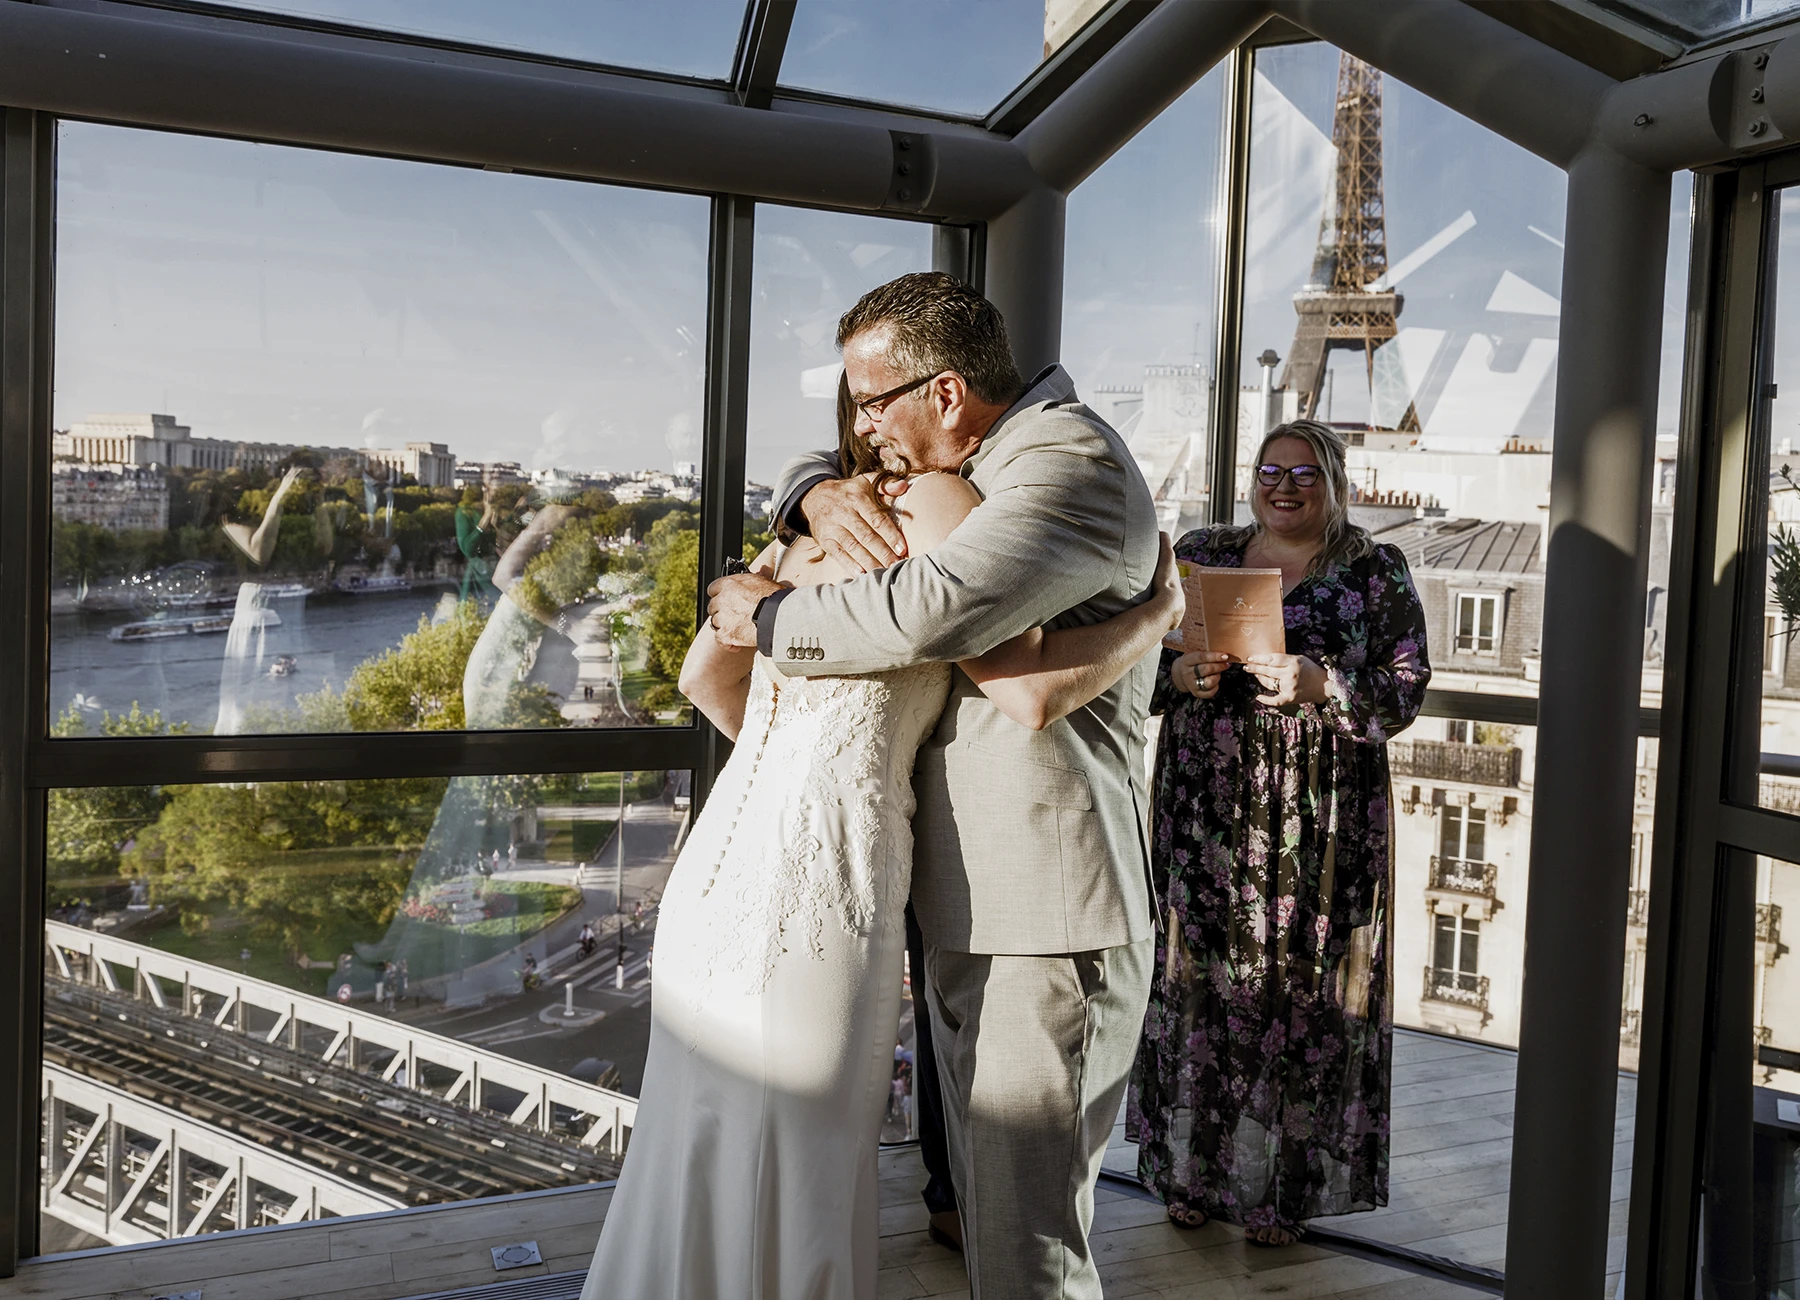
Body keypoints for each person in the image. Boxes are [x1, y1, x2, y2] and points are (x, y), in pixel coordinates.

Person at [583, 273, 1176, 1300]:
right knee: (954, 1218)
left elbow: (942, 626)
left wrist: (767, 614)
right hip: (881, 889)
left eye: (869, 403)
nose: (859, 428)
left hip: (1004, 904)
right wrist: (1154, 618)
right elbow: (1008, 676)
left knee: (1018, 1241)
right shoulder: (928, 488)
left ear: (944, 395)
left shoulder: (1064, 462)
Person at [1127, 419, 1431, 1247]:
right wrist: (1178, 674)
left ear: (1335, 483)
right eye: (1271, 470)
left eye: (1305, 473)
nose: (1285, 485)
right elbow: (1136, 657)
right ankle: (1191, 1169)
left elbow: (1405, 690)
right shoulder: (1203, 551)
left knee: (1302, 988)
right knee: (1200, 979)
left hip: (1319, 814)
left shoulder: (1374, 568)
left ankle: (1281, 1191)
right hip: (1206, 803)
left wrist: (1320, 680)